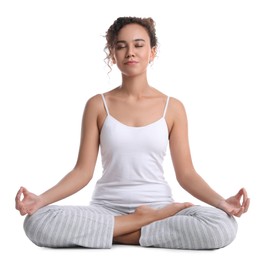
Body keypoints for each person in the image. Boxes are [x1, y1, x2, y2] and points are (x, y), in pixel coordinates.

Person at [15, 16, 250, 250]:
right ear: (112, 54)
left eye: (138, 45)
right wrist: (41, 200)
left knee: (221, 226)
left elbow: (186, 174)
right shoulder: (97, 105)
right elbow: (82, 171)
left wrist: (221, 202)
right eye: (121, 46)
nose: (130, 52)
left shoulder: (173, 107)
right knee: (37, 222)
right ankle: (140, 222)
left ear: (152, 52)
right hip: (105, 209)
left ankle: (113, 232)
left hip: (160, 208)